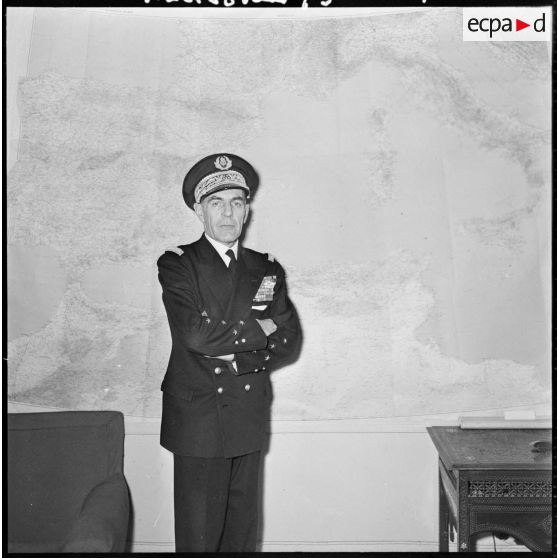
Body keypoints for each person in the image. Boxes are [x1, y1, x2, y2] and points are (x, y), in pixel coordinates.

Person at [157, 153, 301, 553]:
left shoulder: (266, 268)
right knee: (200, 539)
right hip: (199, 421)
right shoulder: (178, 264)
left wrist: (237, 357)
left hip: (247, 416)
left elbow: (290, 339)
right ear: (199, 210)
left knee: (241, 537)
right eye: (216, 203)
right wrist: (262, 328)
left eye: (236, 203)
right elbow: (195, 337)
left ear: (247, 210)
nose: (227, 213)